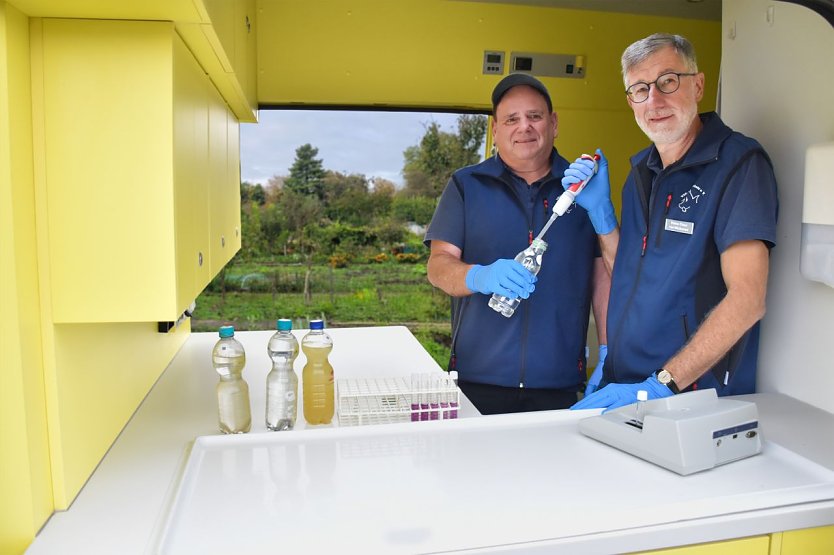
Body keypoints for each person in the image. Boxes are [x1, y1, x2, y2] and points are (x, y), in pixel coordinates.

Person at [568, 33, 779, 411]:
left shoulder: (738, 164)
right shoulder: (641, 172)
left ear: (697, 85)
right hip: (627, 385)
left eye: (667, 81)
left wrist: (663, 383)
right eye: (640, 89)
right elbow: (628, 274)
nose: (654, 100)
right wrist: (601, 215)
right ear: (630, 101)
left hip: (692, 396)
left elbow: (748, 299)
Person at [424, 73, 610, 415]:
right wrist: (479, 276)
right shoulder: (466, 186)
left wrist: (609, 351)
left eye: (534, 116)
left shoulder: (584, 190)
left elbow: (603, 279)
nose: (524, 126)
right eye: (511, 119)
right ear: (496, 129)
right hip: (478, 379)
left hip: (558, 384)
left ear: (553, 123)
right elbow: (438, 266)